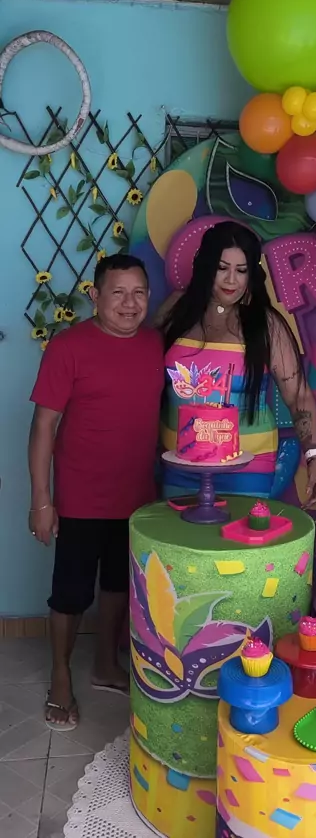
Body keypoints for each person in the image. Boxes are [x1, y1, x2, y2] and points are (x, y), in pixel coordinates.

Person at [29, 254, 164, 731]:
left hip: (138, 498)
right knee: (70, 593)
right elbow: (43, 427)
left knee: (119, 586)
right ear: (95, 297)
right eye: (118, 293)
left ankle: (106, 663)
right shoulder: (69, 346)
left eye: (139, 293)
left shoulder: (156, 344)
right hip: (81, 498)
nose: (130, 303)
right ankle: (60, 676)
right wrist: (41, 500)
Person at [157, 221, 316, 505]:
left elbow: (298, 396)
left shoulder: (265, 324)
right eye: (222, 268)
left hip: (247, 467)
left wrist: (314, 458)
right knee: (179, 534)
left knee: (238, 534)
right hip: (178, 464)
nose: (231, 280)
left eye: (241, 270)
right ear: (206, 266)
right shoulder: (176, 311)